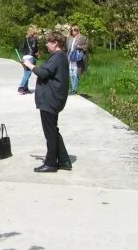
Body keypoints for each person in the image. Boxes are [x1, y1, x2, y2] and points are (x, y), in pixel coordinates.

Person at [22, 31, 72, 173]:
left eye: (49, 41)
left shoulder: (58, 56)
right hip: (53, 99)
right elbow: (46, 71)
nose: (46, 44)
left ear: (55, 43)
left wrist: (29, 65)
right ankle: (63, 160)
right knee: (53, 130)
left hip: (50, 100)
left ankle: (50, 163)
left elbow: (43, 73)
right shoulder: (60, 57)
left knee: (50, 132)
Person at [66, 24, 89, 95]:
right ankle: (73, 88)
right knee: (71, 74)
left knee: (75, 74)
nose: (73, 31)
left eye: (75, 30)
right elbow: (67, 48)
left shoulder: (82, 38)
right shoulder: (69, 38)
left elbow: (87, 46)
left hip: (77, 58)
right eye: (72, 30)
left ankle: (74, 89)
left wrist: (80, 47)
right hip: (70, 58)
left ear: (77, 30)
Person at [17, 26, 39, 94]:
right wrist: (36, 53)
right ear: (34, 32)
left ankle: (26, 88)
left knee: (26, 72)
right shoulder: (34, 39)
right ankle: (21, 87)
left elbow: (22, 48)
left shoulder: (25, 39)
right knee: (28, 73)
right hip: (31, 57)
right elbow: (34, 49)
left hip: (25, 57)